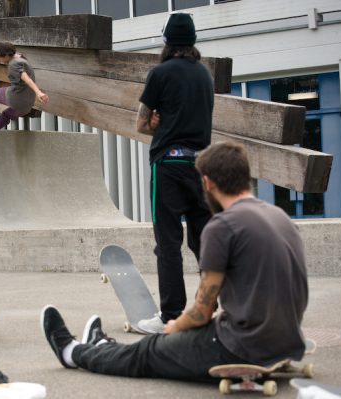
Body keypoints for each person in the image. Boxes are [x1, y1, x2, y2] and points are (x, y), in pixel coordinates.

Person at [41, 141, 309, 379]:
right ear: (245, 177)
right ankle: (100, 347)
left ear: (207, 183)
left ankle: (72, 352)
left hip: (242, 346)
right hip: (287, 342)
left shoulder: (222, 226)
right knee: (163, 344)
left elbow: (202, 311)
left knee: (148, 351)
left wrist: (175, 326)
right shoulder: (281, 218)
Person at [135, 12, 214, 334]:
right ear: (193, 42)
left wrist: (158, 123)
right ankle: (209, 309)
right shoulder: (204, 76)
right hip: (202, 167)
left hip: (168, 165)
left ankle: (170, 316)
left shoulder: (160, 73)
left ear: (166, 41)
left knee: (167, 243)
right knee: (205, 242)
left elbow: (141, 122)